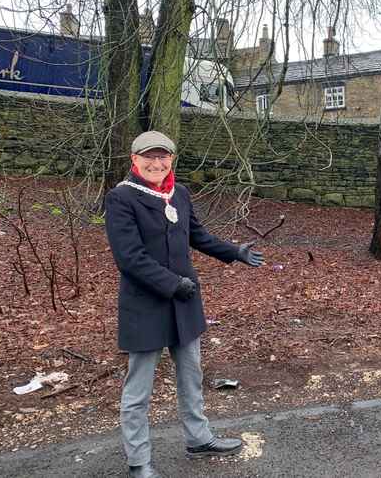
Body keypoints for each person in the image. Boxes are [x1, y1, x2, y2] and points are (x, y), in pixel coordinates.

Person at [105, 130, 265, 478]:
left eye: (163, 157)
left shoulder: (180, 193)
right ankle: (139, 462)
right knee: (138, 390)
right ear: (135, 159)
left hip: (184, 304)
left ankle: (199, 439)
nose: (156, 163)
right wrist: (173, 284)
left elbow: (198, 236)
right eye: (149, 156)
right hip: (146, 304)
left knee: (191, 376)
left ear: (171, 160)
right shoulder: (121, 198)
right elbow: (129, 257)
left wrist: (234, 252)